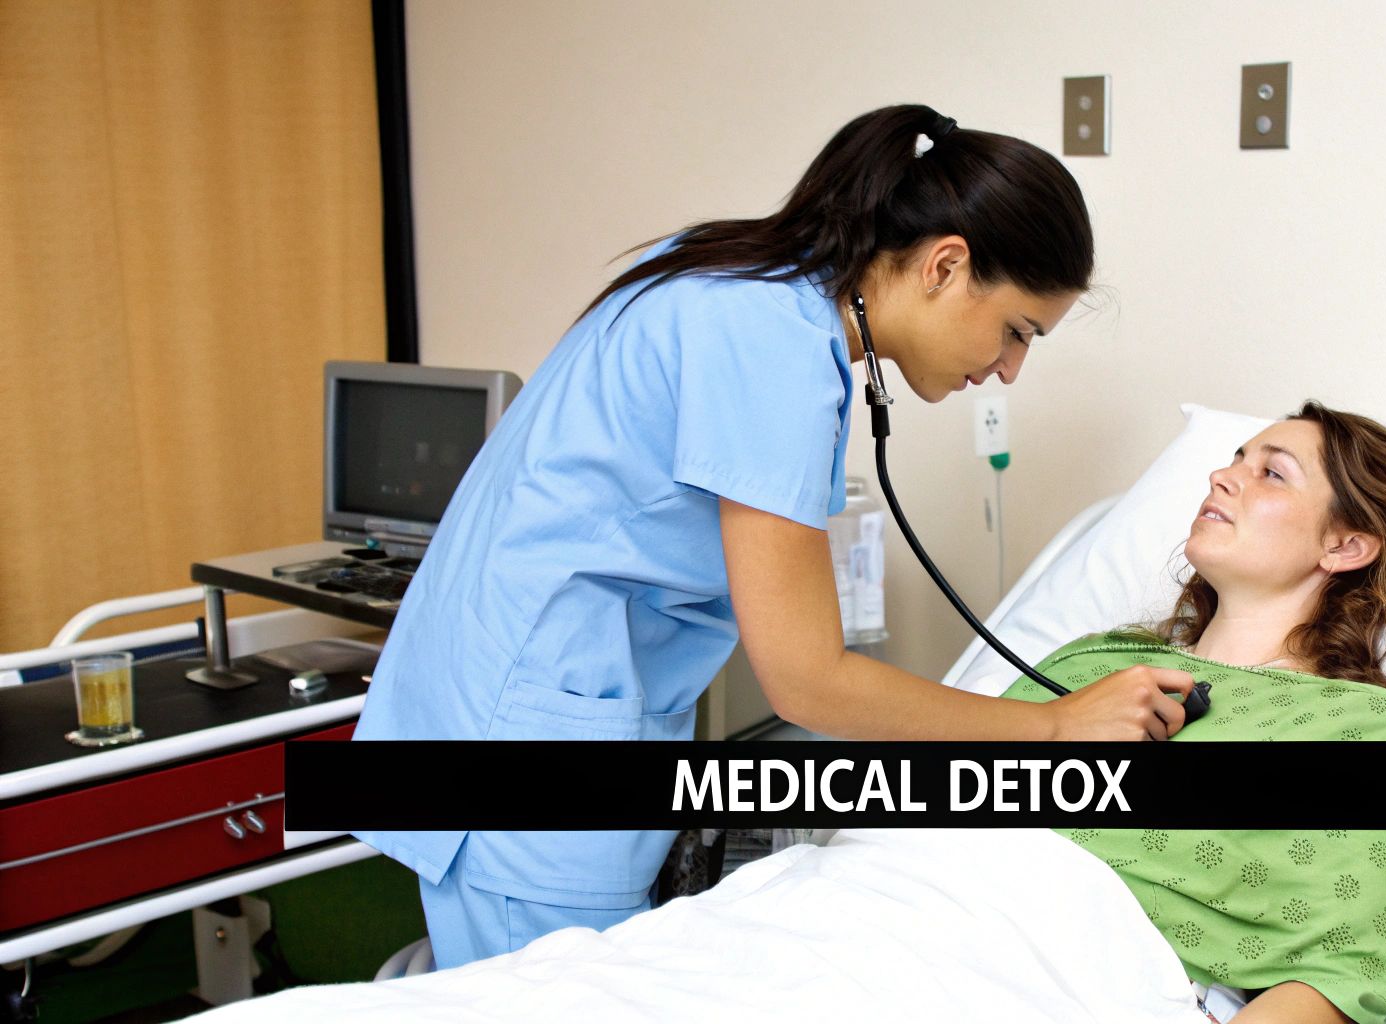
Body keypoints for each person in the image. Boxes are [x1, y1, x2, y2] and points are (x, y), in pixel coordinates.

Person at [349, 105, 1197, 969]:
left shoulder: (740, 276)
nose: (1011, 369)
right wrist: (1051, 731)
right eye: (1018, 330)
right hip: (526, 747)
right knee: (532, 993)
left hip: (528, 702)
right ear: (947, 264)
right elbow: (806, 680)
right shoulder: (773, 350)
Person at [1002, 401, 1386, 1024]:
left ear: (1346, 545)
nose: (1221, 478)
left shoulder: (1360, 731)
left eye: (1272, 473)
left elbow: (1341, 972)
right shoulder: (1091, 662)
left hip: (1051, 977)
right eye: (1233, 461)